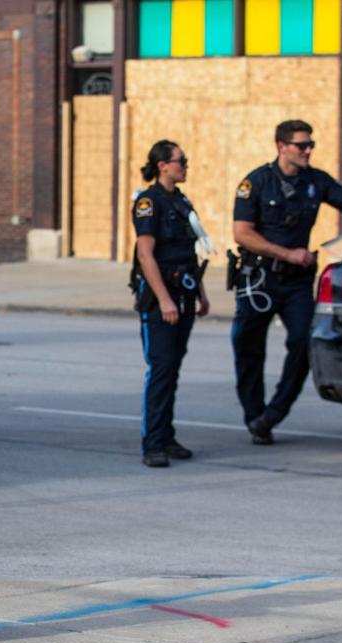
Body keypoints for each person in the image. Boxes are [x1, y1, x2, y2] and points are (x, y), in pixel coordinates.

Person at [231, 120, 342, 444]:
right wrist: (287, 253)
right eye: (302, 145)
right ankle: (254, 416)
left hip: (295, 284)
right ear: (282, 147)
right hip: (259, 279)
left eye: (311, 145)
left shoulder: (315, 181)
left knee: (303, 342)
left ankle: (273, 414)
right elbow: (242, 233)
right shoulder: (256, 182)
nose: (308, 150)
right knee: (247, 349)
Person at [130, 140, 210, 468]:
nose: (185, 166)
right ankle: (152, 443)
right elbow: (145, 255)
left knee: (173, 369)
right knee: (161, 369)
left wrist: (201, 293)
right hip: (159, 300)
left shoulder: (181, 201)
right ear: (163, 165)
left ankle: (166, 435)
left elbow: (191, 253)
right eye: (181, 161)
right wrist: (164, 299)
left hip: (184, 293)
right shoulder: (149, 202)